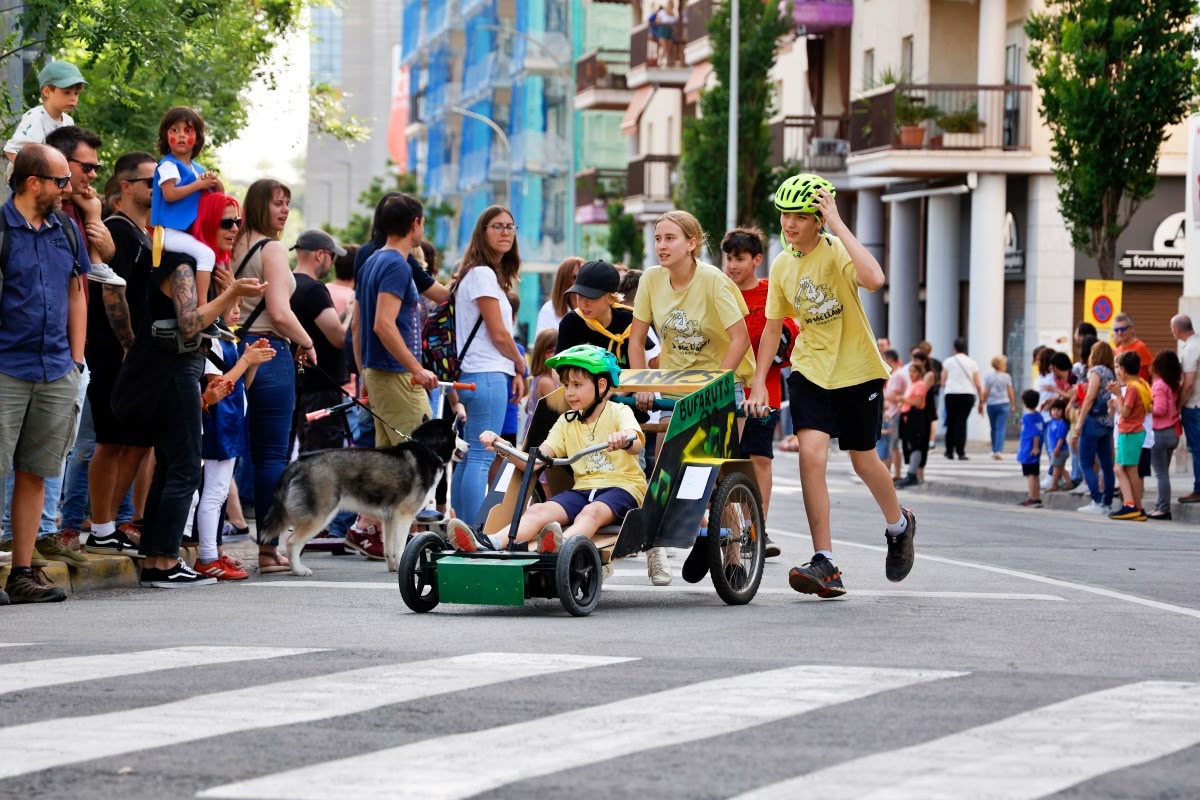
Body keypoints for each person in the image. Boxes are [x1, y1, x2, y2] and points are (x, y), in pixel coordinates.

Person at [744, 173, 916, 599]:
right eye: (784, 215)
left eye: (799, 216)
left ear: (817, 218)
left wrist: (838, 225)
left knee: (864, 460)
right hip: (810, 372)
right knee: (811, 456)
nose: (789, 224)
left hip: (857, 371)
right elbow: (770, 331)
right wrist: (759, 385)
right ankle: (826, 562)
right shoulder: (783, 265)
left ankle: (899, 526)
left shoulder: (837, 249)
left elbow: (875, 279)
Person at [111, 191, 266, 587]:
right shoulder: (180, 263)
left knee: (172, 466)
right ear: (206, 221)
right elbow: (189, 324)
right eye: (227, 222)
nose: (235, 230)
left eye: (239, 223)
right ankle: (163, 562)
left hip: (178, 369)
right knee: (182, 466)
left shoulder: (197, 263)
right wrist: (231, 294)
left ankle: (158, 559)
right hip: (171, 372)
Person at [629, 210, 753, 587]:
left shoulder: (713, 281)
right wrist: (643, 384)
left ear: (691, 243)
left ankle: (732, 555)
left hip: (720, 384)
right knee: (670, 470)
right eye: (658, 239)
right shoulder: (651, 279)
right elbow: (637, 340)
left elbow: (741, 338)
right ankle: (706, 532)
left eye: (670, 238)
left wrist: (714, 384)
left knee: (718, 475)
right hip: (675, 388)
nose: (661, 246)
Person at [0, 144, 93, 604]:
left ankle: (21, 573)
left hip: (56, 369)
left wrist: (76, 360)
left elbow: (77, 292)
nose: (68, 187)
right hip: (5, 367)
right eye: (60, 180)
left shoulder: (67, 229)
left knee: (34, 473)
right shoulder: (1, 228)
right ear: (32, 182)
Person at [446, 345, 644, 558]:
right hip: (583, 490)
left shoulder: (618, 411)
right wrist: (503, 446)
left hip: (623, 488)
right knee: (538, 510)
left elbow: (636, 443)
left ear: (601, 385)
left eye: (577, 385)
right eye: (567, 385)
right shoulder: (566, 422)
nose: (569, 392)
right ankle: (490, 542)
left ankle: (562, 549)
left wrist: (624, 438)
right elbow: (534, 462)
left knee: (591, 512)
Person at [230, 178, 311, 574]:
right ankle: (268, 549)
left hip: (234, 352)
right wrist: (306, 340)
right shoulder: (274, 249)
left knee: (223, 453)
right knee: (271, 456)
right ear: (261, 205)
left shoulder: (232, 242)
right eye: (277, 204)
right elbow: (279, 312)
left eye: (287, 204)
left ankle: (210, 545)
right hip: (270, 352)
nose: (283, 211)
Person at [193, 211, 277, 580]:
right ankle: (207, 555)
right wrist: (246, 360)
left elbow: (242, 385)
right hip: (216, 423)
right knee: (211, 493)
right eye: (234, 300)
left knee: (216, 493)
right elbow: (217, 388)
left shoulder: (229, 338)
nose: (239, 307)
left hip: (230, 421)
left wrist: (252, 360)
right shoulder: (213, 338)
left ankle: (211, 553)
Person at [82, 152, 159, 556]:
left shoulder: (143, 232)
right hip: (113, 352)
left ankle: (111, 522)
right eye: (149, 182)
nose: (156, 189)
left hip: (137, 353)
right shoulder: (117, 230)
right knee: (111, 440)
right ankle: (100, 526)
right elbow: (114, 291)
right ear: (125, 187)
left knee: (136, 440)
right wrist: (129, 346)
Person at [721, 227, 799, 558]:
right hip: (724, 391)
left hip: (762, 393)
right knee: (726, 463)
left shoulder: (771, 293)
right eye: (728, 258)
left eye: (739, 259)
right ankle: (731, 531)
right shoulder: (718, 291)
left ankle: (759, 530)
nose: (732, 266)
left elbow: (791, 339)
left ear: (756, 260)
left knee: (759, 459)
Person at [450, 205, 527, 527]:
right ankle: (473, 532)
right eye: (497, 226)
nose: (505, 232)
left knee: (469, 456)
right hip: (488, 373)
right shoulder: (482, 274)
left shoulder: (474, 273)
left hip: (473, 374)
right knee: (482, 456)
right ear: (482, 232)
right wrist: (522, 365)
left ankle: (461, 528)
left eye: (510, 226)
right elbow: (498, 333)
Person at [151, 107, 223, 302]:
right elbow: (170, 194)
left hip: (192, 230)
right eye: (174, 131)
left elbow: (217, 198)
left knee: (219, 257)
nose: (181, 136)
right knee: (206, 255)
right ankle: (203, 306)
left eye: (188, 131)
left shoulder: (198, 169)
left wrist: (215, 182)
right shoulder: (168, 165)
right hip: (170, 232)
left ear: (197, 139)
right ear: (166, 136)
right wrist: (199, 184)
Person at [290, 228, 351, 453]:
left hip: (298, 382)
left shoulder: (287, 285)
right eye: (332, 256)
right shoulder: (315, 289)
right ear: (320, 255)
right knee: (321, 455)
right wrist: (353, 314)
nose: (332, 263)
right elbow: (338, 337)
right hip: (321, 387)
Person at [44, 126, 122, 286]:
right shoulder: (39, 209)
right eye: (87, 167)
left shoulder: (84, 204)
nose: (93, 174)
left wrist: (108, 251)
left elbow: (92, 269)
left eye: (96, 167)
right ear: (61, 160)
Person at [4, 61, 85, 176]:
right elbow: (12, 151)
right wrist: (34, 176)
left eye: (76, 93)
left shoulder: (68, 121)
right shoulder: (36, 117)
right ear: (47, 91)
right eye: (66, 92)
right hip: (27, 180)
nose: (73, 98)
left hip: (52, 178)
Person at [1071, 340, 1116, 515]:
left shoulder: (1096, 371)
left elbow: (1090, 397)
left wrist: (1080, 421)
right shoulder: (1112, 372)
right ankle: (1107, 503)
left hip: (1093, 420)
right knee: (1106, 464)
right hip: (1107, 422)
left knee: (1086, 462)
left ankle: (1097, 501)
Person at [1107, 351, 1151, 521]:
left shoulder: (1132, 388)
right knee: (1123, 469)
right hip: (1132, 432)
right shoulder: (1142, 384)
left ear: (1123, 369)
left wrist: (1118, 395)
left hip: (1130, 432)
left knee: (1129, 470)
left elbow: (1125, 413)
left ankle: (1132, 505)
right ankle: (1135, 506)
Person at [1148, 349, 1182, 520]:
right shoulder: (1173, 384)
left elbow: (1159, 410)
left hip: (1160, 433)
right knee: (1164, 473)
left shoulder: (1160, 385)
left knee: (1161, 474)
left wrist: (1146, 407)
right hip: (1172, 432)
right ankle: (1161, 506)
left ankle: (1163, 508)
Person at [1171, 314, 1200, 503]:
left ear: (1177, 330)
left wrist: (1179, 406)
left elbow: (1188, 384)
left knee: (1197, 449)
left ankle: (1199, 489)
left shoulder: (1190, 349)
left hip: (1194, 406)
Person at [941, 337, 982, 460]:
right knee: (961, 423)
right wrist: (981, 400)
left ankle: (949, 451)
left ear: (954, 349)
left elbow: (943, 382)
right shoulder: (972, 362)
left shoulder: (948, 362)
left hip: (951, 393)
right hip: (967, 394)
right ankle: (961, 452)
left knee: (951, 422)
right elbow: (978, 383)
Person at [896, 357, 929, 489]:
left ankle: (912, 473)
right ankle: (911, 471)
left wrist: (904, 399)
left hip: (915, 415)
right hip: (906, 415)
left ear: (919, 373)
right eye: (910, 372)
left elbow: (918, 402)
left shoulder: (920, 385)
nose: (911, 374)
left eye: (914, 372)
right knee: (908, 443)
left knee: (915, 444)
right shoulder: (912, 385)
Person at [879, 349, 909, 480]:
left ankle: (895, 474)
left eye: (884, 359)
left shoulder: (897, 375)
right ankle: (892, 473)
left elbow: (893, 395)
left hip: (895, 413)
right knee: (891, 445)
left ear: (890, 360)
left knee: (893, 445)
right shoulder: (897, 374)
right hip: (892, 412)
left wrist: (881, 396)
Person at [535, 256, 583, 333]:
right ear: (564, 281)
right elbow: (544, 343)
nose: (582, 281)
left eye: (585, 277)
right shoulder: (549, 310)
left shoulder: (596, 307)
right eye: (575, 277)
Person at [1016, 389, 1045, 508]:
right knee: (1034, 474)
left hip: (1029, 450)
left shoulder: (1028, 417)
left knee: (1031, 475)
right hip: (1032, 449)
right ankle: (1036, 497)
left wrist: (1035, 447)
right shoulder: (1038, 416)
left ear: (1024, 402)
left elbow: (1035, 434)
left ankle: (1032, 497)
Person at [983, 355, 1014, 459]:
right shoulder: (1007, 377)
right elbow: (1010, 392)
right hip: (1004, 403)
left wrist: (982, 401)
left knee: (993, 428)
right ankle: (999, 450)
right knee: (1001, 428)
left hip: (991, 404)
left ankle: (994, 449)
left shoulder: (988, 376)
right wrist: (1012, 404)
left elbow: (986, 391)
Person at [1111, 313, 1152, 382]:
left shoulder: (1140, 347)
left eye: (1123, 329)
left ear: (1132, 329)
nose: (1119, 332)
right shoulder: (1117, 351)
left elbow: (1152, 372)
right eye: (1116, 330)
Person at [1045, 400, 1070, 492]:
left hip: (1060, 450)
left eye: (1059, 410)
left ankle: (1054, 485)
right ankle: (1069, 482)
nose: (1055, 412)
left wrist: (1057, 449)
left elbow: (1061, 438)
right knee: (1061, 468)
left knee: (1056, 467)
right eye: (1054, 409)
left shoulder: (1061, 423)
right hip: (1056, 449)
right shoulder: (1052, 422)